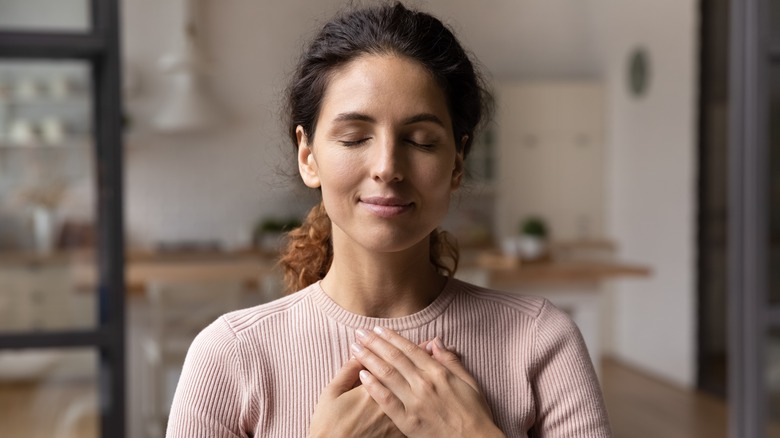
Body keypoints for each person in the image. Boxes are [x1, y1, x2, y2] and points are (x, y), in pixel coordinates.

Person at [166, 2, 612, 437]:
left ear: (457, 162)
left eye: (420, 141)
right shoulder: (231, 356)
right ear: (308, 156)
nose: (387, 166)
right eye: (355, 137)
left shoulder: (540, 341)